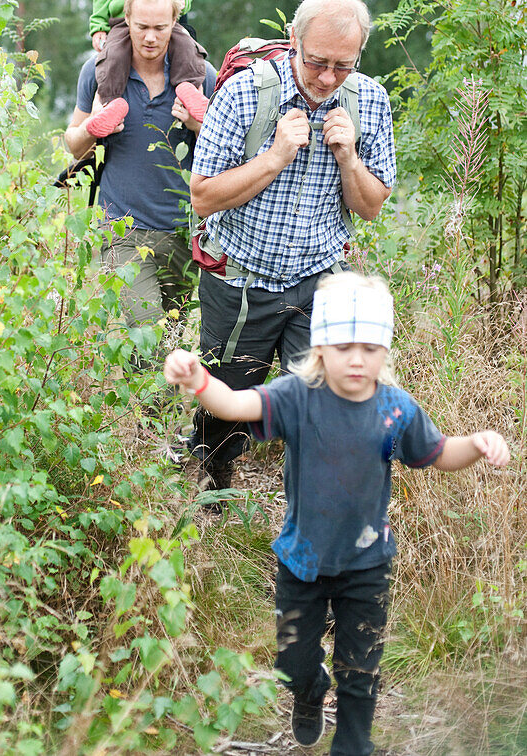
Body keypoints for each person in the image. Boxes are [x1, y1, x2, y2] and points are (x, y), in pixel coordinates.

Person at [163, 272, 510, 755]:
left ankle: (353, 745)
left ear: (385, 349)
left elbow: (438, 454)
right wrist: (199, 379)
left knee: (361, 668)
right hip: (301, 560)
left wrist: (474, 445)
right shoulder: (296, 398)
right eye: (343, 345)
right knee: (292, 660)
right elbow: (235, 403)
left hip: (367, 565)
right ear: (320, 345)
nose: (356, 359)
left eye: (370, 347)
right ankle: (308, 691)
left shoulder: (395, 410)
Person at [188, 0, 397, 491]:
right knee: (227, 397)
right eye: (317, 61)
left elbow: (370, 206)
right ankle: (212, 465)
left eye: (342, 65)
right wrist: (275, 156)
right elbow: (203, 197)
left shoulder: (368, 99)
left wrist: (349, 158)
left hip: (320, 280)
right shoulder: (244, 93)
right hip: (242, 279)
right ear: (292, 40)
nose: (328, 78)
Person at [66, 0, 217, 347]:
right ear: (126, 21)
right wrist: (94, 128)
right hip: (122, 231)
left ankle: (159, 407)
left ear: (175, 24)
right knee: (145, 337)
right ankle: (150, 403)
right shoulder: (99, 72)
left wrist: (200, 125)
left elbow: (225, 159)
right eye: (141, 27)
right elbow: (73, 145)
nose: (150, 37)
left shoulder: (202, 78)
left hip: (184, 230)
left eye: (160, 28)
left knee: (174, 340)